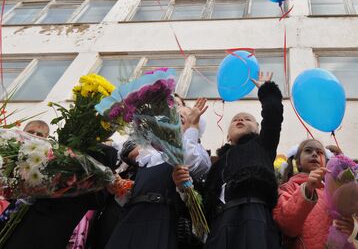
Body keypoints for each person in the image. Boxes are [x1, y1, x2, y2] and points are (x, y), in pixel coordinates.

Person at [105, 97, 211, 249]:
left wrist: (191, 127)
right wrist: (120, 189)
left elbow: (190, 161)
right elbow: (136, 192)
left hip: (162, 220)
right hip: (130, 218)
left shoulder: (197, 153)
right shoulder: (148, 153)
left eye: (180, 118)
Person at [203, 72, 283, 249]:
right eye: (235, 120)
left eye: (247, 119)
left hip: (253, 215)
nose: (240, 120)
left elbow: (273, 115)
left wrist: (266, 90)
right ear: (228, 136)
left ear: (258, 128)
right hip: (220, 223)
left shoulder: (263, 145)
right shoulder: (218, 163)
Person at [273, 139, 358, 249]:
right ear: (298, 163)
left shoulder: (339, 192)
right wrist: (307, 189)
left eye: (320, 152)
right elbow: (288, 227)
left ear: (326, 163)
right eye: (308, 150)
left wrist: (354, 232)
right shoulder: (288, 188)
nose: (314, 154)